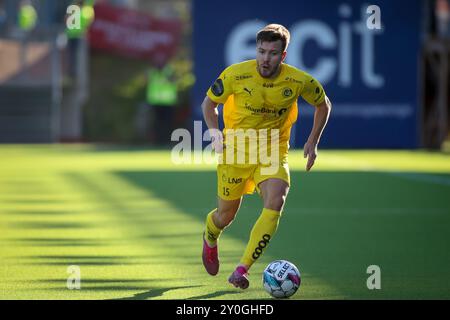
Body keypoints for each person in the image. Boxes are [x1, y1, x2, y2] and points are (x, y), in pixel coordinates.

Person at [201, 24, 332, 289]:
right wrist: (214, 132)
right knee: (225, 216)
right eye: (261, 51)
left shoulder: (297, 81)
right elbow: (209, 104)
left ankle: (242, 269)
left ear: (283, 56)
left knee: (276, 201)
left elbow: (323, 104)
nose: (265, 58)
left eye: (272, 53)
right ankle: (210, 234)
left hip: (273, 151)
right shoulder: (235, 75)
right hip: (235, 153)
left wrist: (312, 140)